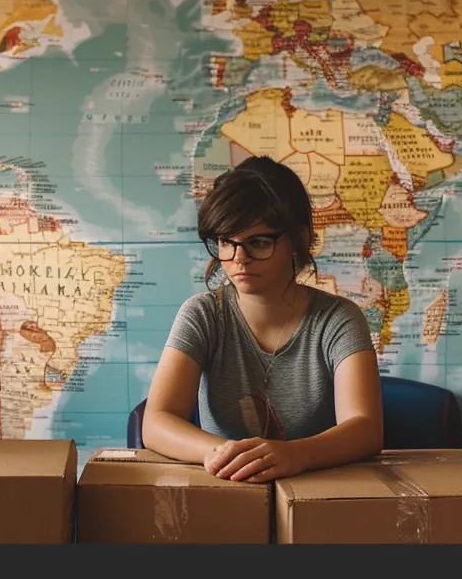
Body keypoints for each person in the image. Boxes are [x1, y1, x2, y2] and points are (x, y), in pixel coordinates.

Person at [142, 155, 384, 483]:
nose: (239, 258)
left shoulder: (338, 320)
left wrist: (296, 454)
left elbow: (366, 429)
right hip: (228, 489)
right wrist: (229, 455)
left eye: (258, 242)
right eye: (226, 242)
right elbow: (157, 421)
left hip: (314, 496)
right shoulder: (202, 315)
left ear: (297, 240)